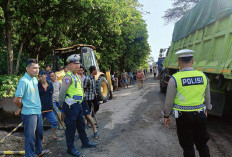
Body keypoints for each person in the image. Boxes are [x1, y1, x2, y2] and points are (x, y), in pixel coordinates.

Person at [163, 49, 212, 157]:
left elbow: (169, 101)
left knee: (188, 147)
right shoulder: (203, 76)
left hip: (183, 117)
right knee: (202, 145)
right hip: (200, 115)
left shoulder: (174, 79)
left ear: (179, 62)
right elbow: (208, 98)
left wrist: (166, 115)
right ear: (193, 61)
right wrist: (206, 109)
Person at [59, 54, 97, 157]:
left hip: (78, 105)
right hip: (70, 106)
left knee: (81, 125)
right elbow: (62, 92)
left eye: (78, 63)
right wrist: (62, 106)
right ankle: (70, 148)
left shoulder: (76, 76)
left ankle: (85, 143)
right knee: (71, 128)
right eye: (74, 63)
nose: (77, 65)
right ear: (69, 65)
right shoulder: (68, 77)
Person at [14, 58, 49, 157]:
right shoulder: (23, 81)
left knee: (39, 134)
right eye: (34, 68)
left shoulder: (34, 79)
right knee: (30, 137)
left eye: (37, 68)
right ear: (27, 69)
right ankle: (29, 155)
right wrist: (23, 107)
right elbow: (16, 100)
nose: (37, 70)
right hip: (29, 114)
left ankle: (38, 152)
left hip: (38, 111)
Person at [38, 70, 60, 142]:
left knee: (55, 122)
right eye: (39, 76)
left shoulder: (50, 84)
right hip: (40, 109)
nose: (40, 78)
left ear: (45, 75)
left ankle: (53, 135)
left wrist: (53, 105)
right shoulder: (37, 85)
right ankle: (42, 138)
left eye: (42, 76)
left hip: (49, 108)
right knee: (40, 125)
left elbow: (51, 95)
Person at [78, 65, 99, 139]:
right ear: (93, 71)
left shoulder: (92, 78)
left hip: (93, 96)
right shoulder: (87, 79)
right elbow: (83, 88)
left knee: (96, 106)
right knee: (86, 113)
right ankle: (91, 128)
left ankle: (92, 120)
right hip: (86, 98)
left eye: (81, 70)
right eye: (96, 70)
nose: (96, 71)